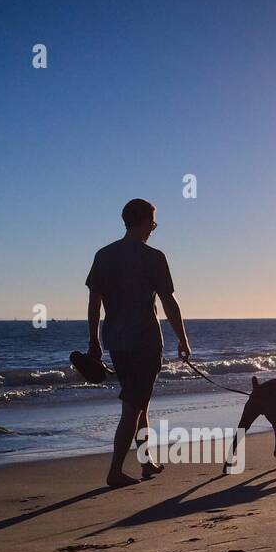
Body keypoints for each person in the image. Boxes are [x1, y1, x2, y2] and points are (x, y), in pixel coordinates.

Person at [85, 198, 191, 487]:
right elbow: (168, 302)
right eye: (153, 223)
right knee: (133, 405)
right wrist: (182, 339)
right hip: (145, 341)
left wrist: (94, 341)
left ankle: (146, 462)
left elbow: (94, 303)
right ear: (144, 221)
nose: (153, 229)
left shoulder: (104, 255)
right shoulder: (153, 257)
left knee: (138, 403)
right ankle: (115, 471)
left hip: (116, 341)